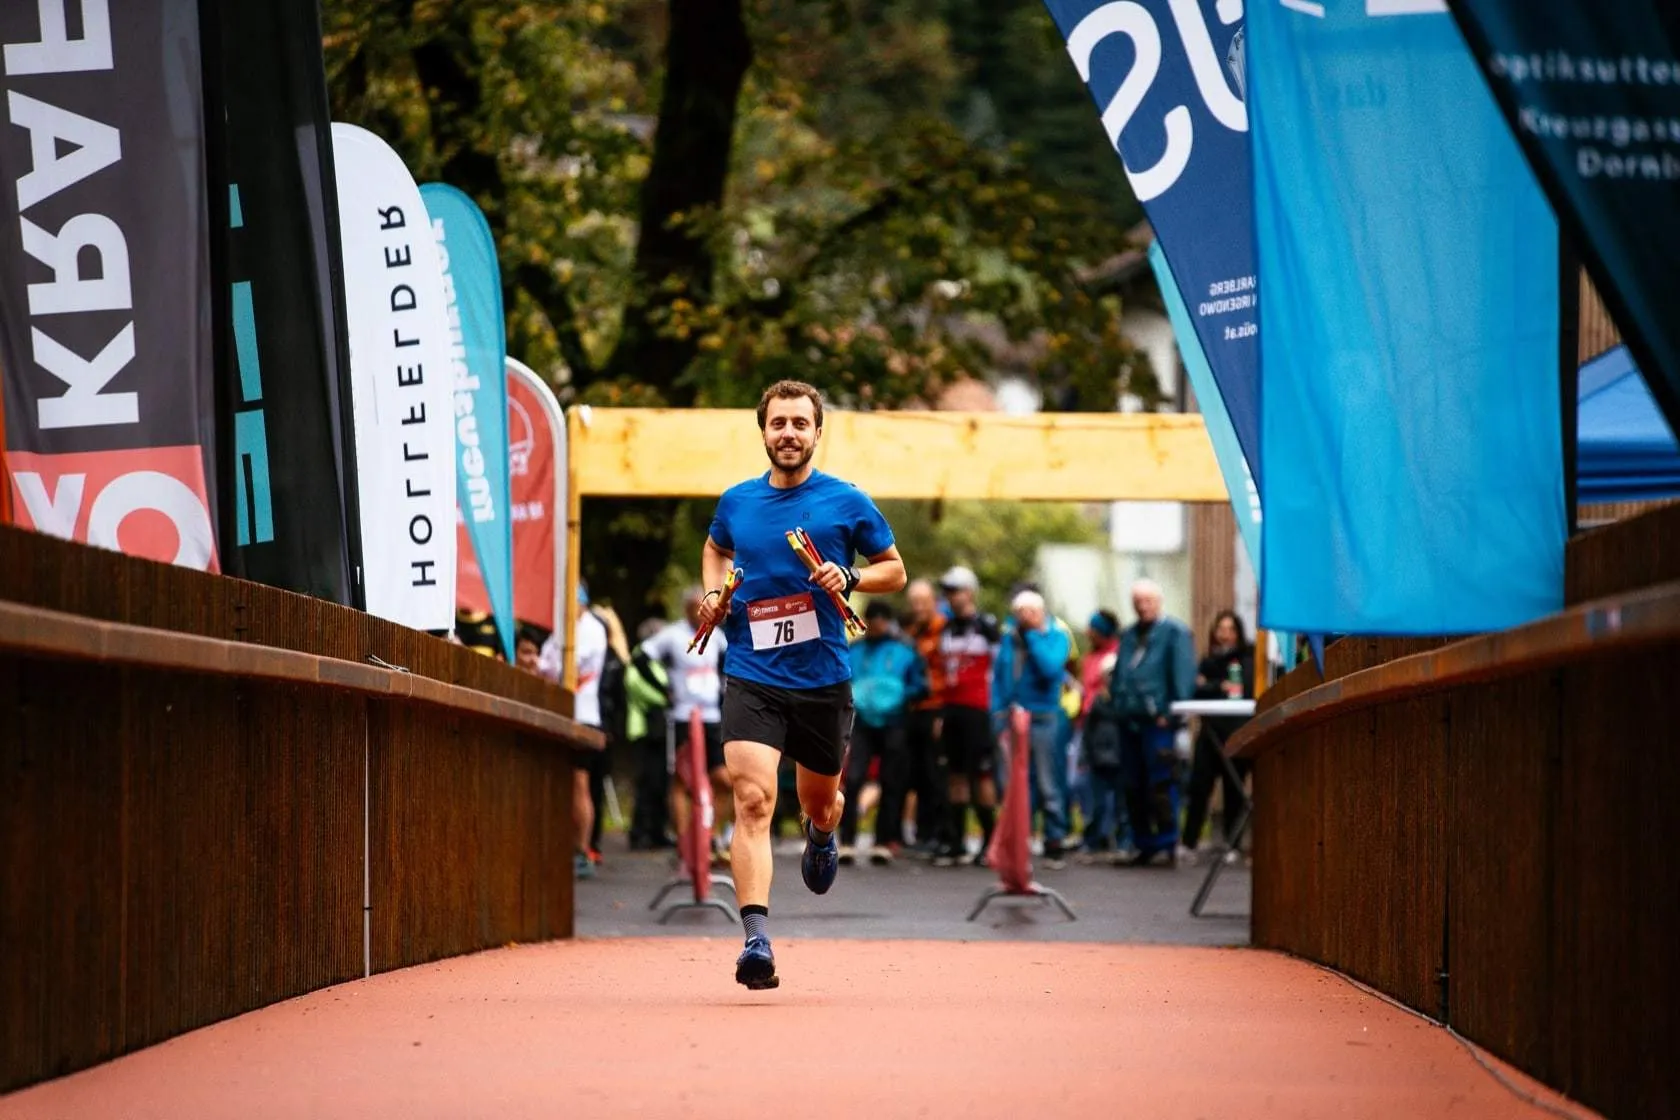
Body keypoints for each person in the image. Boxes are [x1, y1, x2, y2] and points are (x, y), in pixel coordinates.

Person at [695, 380, 906, 989]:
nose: (788, 433)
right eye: (778, 423)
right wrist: (714, 592)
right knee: (754, 800)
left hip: (821, 680)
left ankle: (822, 831)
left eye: (799, 424)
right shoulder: (737, 502)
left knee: (820, 799)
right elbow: (714, 549)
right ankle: (755, 937)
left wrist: (850, 576)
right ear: (762, 431)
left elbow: (895, 570)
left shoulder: (847, 502)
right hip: (752, 673)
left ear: (817, 432)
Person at [1108, 578, 1196, 867]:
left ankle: (1167, 841)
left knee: (1161, 781)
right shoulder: (1129, 635)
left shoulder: (1175, 632)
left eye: (1148, 601)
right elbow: (1121, 672)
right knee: (1133, 785)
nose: (1143, 606)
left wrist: (1171, 715)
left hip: (1158, 721)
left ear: (1159, 601)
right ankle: (1142, 842)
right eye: (1138, 601)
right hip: (1129, 719)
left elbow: (1183, 676)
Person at [640, 588, 731, 862]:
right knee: (682, 780)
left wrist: (723, 692)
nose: (699, 612)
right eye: (694, 607)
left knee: (724, 781)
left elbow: (727, 663)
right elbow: (641, 658)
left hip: (711, 716)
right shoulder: (672, 634)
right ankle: (683, 842)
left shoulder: (717, 634)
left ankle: (711, 837)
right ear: (686, 608)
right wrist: (663, 688)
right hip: (682, 716)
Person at [840, 599, 927, 865]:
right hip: (862, 722)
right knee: (853, 779)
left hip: (895, 721)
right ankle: (846, 841)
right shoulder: (855, 650)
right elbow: (843, 679)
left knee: (891, 781)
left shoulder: (904, 650)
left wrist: (899, 695)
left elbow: (921, 685)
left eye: (880, 620)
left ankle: (882, 841)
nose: (876, 625)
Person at [991, 589, 1074, 862]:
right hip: (1013, 717)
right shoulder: (1009, 640)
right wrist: (997, 712)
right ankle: (1020, 838)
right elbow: (1001, 676)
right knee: (1014, 782)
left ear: (1041, 613)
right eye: (1020, 614)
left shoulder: (1056, 636)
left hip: (1044, 718)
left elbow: (1051, 669)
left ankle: (1054, 839)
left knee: (1049, 781)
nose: (1024, 618)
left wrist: (1034, 637)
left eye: (1031, 613)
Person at [932, 565, 1001, 867]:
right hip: (952, 710)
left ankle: (990, 841)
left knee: (981, 775)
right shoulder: (946, 628)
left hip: (979, 710)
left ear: (970, 592)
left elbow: (1001, 669)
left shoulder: (987, 626)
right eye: (947, 592)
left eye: (955, 591)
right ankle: (956, 841)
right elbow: (945, 672)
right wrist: (940, 712)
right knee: (955, 774)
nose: (951, 597)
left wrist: (1000, 708)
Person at [541, 583, 610, 880]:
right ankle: (563, 846)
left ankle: (582, 849)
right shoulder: (560, 629)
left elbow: (572, 666)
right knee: (560, 783)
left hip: (584, 716)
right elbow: (547, 662)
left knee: (580, 784)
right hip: (559, 713)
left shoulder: (593, 629)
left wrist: (549, 665)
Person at [1182, 610, 1255, 862]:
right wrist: (1215, 686)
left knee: (1233, 788)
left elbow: (1242, 689)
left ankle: (1233, 844)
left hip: (1236, 731)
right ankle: (1189, 841)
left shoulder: (1247, 658)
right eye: (1220, 629)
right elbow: (1197, 689)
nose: (1224, 634)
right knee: (1199, 786)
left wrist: (1211, 685)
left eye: (1230, 629)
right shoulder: (1209, 659)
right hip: (1209, 732)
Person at [902, 579, 948, 852]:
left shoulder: (943, 629)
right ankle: (920, 832)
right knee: (915, 773)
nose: (918, 606)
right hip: (913, 709)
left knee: (935, 772)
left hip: (936, 707)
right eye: (914, 602)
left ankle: (938, 832)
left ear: (933, 602)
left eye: (923, 601)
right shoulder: (909, 632)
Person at [624, 616, 675, 850]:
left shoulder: (658, 661)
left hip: (659, 728)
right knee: (647, 782)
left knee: (660, 782)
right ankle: (639, 831)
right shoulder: (639, 660)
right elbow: (637, 687)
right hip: (644, 728)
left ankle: (656, 830)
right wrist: (667, 697)